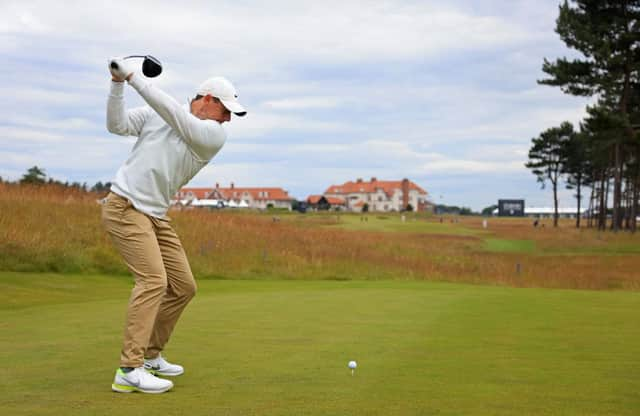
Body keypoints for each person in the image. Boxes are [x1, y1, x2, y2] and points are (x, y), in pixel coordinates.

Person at [102, 57, 246, 394]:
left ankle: (150, 356)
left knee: (183, 287)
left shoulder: (212, 135)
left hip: (155, 214)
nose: (228, 118)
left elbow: (175, 115)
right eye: (225, 110)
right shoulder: (161, 113)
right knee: (153, 281)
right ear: (207, 99)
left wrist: (135, 78)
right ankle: (129, 368)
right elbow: (117, 125)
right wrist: (117, 84)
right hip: (125, 206)